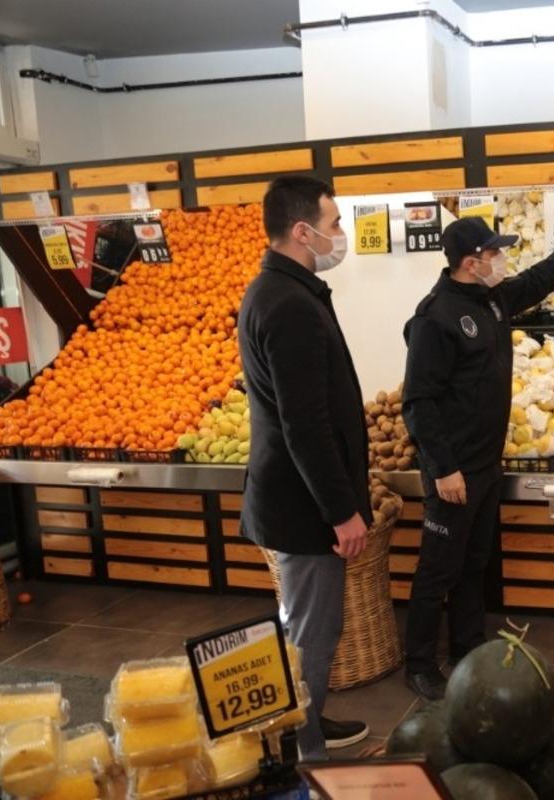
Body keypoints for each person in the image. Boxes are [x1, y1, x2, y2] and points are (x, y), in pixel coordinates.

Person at [402, 211, 554, 700]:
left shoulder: (494, 298)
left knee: (474, 561)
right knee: (438, 567)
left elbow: (542, 277)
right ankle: (418, 662)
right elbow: (418, 402)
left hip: (486, 464)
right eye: (493, 253)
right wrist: (443, 469)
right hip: (454, 471)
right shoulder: (434, 317)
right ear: (469, 261)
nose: (501, 259)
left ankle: (466, 649)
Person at [238, 176, 373, 759]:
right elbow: (305, 426)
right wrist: (342, 512)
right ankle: (303, 757)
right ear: (303, 231)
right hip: (303, 508)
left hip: (294, 498)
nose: (339, 235)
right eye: (335, 223)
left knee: (304, 627)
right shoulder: (288, 304)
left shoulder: (284, 290)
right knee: (310, 636)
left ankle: (308, 725)